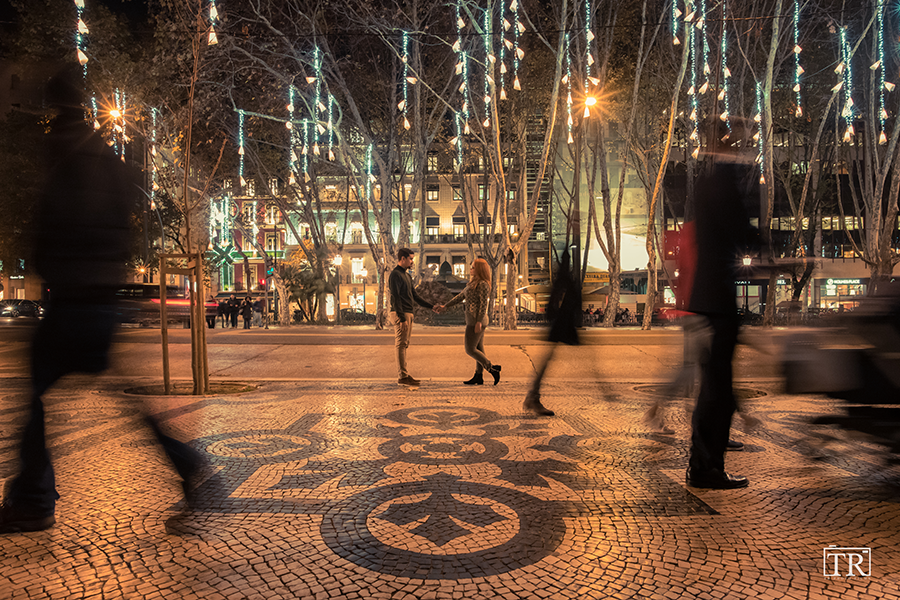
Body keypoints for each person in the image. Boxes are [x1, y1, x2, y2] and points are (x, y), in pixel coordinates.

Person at [0, 66, 209, 533]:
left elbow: (49, 223)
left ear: (55, 106)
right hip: (103, 299)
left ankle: (34, 499)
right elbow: (125, 224)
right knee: (125, 398)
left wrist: (46, 265)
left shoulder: (62, 153)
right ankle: (185, 462)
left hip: (71, 298)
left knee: (35, 395)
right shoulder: (111, 160)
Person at [683, 118, 759, 490]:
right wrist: (770, 248)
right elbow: (740, 229)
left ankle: (704, 463)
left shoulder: (705, 179)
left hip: (707, 299)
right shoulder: (722, 181)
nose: (742, 148)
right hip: (717, 299)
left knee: (714, 388)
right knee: (717, 391)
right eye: (735, 140)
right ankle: (706, 467)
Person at [523, 249, 581, 417]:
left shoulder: (561, 279)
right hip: (562, 325)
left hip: (560, 325)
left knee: (547, 359)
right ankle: (533, 396)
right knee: (548, 360)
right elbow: (561, 302)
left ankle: (533, 395)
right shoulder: (565, 280)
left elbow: (555, 303)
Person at [434, 258, 501, 385]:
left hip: (476, 321)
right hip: (474, 320)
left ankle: (492, 368)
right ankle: (478, 375)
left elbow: (483, 304)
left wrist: (478, 322)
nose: (470, 269)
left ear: (480, 269)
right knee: (478, 348)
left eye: (473, 267)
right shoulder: (472, 283)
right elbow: (460, 297)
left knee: (470, 349)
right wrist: (445, 306)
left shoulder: (483, 284)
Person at [389, 248, 434, 386]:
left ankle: (404, 374)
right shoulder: (395, 274)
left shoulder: (407, 276)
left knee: (404, 344)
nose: (412, 262)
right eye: (410, 259)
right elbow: (395, 297)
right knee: (401, 344)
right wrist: (402, 318)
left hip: (408, 312)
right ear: (402, 259)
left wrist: (432, 307)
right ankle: (402, 376)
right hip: (401, 313)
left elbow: (415, 296)